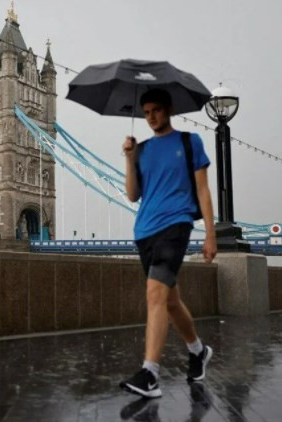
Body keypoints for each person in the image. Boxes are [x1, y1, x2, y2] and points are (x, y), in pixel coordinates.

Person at [119, 88, 217, 399]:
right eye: (146, 112)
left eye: (157, 110)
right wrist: (129, 159)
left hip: (176, 226)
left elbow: (202, 190)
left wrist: (211, 235)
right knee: (170, 301)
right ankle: (198, 351)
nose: (151, 117)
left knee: (154, 294)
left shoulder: (190, 142)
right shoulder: (143, 150)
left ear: (169, 109)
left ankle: (150, 373)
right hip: (144, 231)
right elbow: (133, 195)